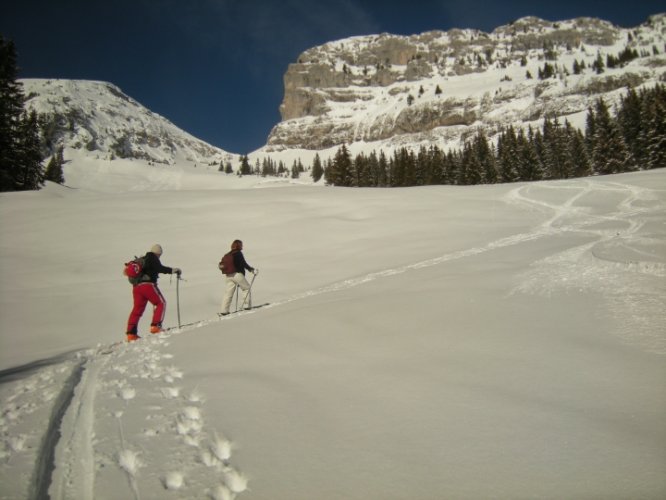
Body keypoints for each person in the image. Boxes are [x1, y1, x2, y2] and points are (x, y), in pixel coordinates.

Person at [126, 244, 181, 342]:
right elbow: (160, 268)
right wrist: (173, 270)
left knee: (137, 310)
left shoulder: (143, 259)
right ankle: (156, 326)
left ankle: (131, 334)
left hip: (136, 287)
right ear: (158, 253)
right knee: (161, 303)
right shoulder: (152, 257)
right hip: (148, 286)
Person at [220, 239, 256, 315]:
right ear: (238, 245)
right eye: (241, 244)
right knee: (246, 288)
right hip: (237, 274)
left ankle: (224, 310)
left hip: (228, 275)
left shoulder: (229, 254)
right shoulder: (238, 253)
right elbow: (243, 263)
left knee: (228, 293)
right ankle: (246, 306)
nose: (242, 246)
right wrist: (251, 269)